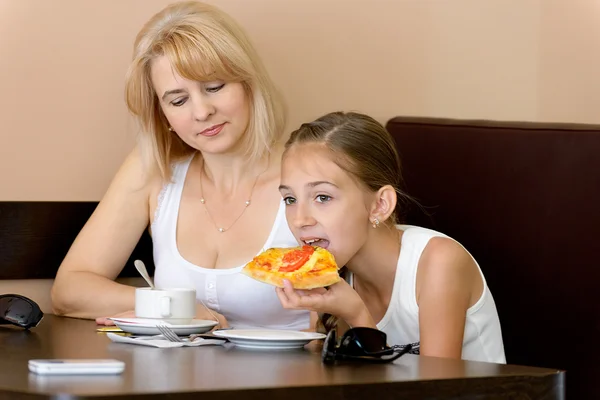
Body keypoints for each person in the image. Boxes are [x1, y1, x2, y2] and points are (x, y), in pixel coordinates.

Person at [51, 1, 309, 330]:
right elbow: (69, 290)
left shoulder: (308, 178)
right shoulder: (152, 171)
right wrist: (173, 307)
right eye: (178, 100)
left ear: (249, 83)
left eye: (214, 87)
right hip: (172, 378)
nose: (201, 112)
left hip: (290, 379)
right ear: (163, 114)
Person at [275, 111, 506, 363]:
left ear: (380, 205)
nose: (299, 219)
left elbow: (434, 389)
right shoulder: (333, 275)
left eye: (323, 197)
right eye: (290, 199)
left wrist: (356, 316)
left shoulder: (440, 262)